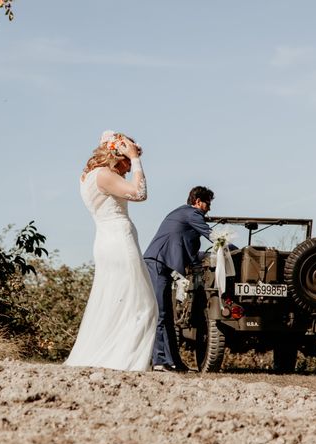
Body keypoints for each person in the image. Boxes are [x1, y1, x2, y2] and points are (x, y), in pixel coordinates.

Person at [65, 130, 157, 371]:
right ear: (117, 154)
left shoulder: (87, 176)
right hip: (119, 240)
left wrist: (132, 157)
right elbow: (140, 193)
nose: (128, 168)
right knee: (143, 304)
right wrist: (136, 160)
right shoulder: (104, 175)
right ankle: (126, 362)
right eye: (127, 161)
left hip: (105, 240)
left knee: (115, 302)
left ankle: (113, 358)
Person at [143, 186, 215, 371]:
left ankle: (173, 361)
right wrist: (231, 249)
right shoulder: (192, 213)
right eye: (208, 203)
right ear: (198, 201)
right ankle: (159, 361)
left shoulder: (183, 214)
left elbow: (189, 249)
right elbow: (212, 235)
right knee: (161, 314)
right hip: (157, 263)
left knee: (166, 315)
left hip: (161, 264)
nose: (209, 208)